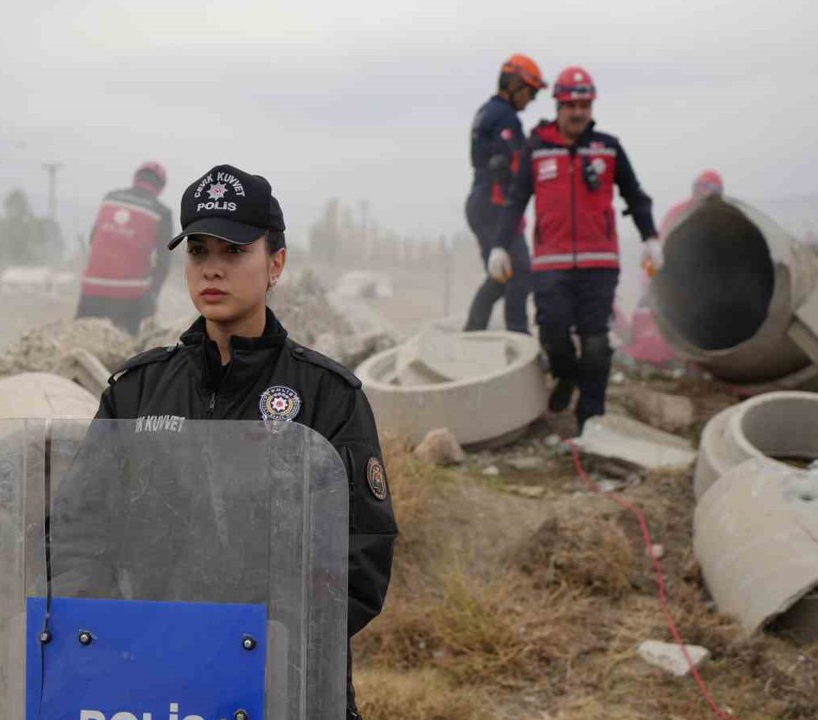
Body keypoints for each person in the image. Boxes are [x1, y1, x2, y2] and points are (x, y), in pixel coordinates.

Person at [91, 164, 397, 719]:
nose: (212, 268)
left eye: (234, 252)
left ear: (275, 263)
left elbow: (363, 553)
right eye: (199, 251)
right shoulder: (135, 393)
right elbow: (78, 534)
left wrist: (263, 643)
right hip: (153, 681)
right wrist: (118, 636)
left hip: (286, 682)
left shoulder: (328, 396)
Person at [487, 66, 661, 432]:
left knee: (596, 342)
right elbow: (516, 199)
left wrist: (651, 238)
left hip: (600, 263)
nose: (578, 112)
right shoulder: (536, 149)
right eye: (571, 105)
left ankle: (590, 418)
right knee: (553, 334)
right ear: (558, 105)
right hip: (551, 265)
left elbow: (635, 195)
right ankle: (565, 377)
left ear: (591, 105)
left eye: (585, 104)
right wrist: (500, 246)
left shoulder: (608, 148)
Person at [464, 53, 546, 333]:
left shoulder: (487, 111)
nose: (531, 100)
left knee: (501, 276)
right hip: (494, 205)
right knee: (519, 272)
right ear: (515, 86)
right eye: (531, 93)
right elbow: (509, 166)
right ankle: (517, 337)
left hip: (482, 202)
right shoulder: (505, 117)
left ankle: (472, 332)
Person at [623, 170, 725, 367]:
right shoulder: (679, 213)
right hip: (670, 278)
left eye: (711, 190)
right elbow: (659, 247)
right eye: (701, 188)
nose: (704, 194)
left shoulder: (719, 217)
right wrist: (651, 281)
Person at [76, 161, 174, 335]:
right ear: (160, 188)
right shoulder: (161, 212)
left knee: (81, 339)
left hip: (90, 292)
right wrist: (152, 297)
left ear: (136, 178)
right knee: (127, 350)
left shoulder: (110, 199)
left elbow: (93, 239)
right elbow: (163, 263)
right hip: (130, 298)